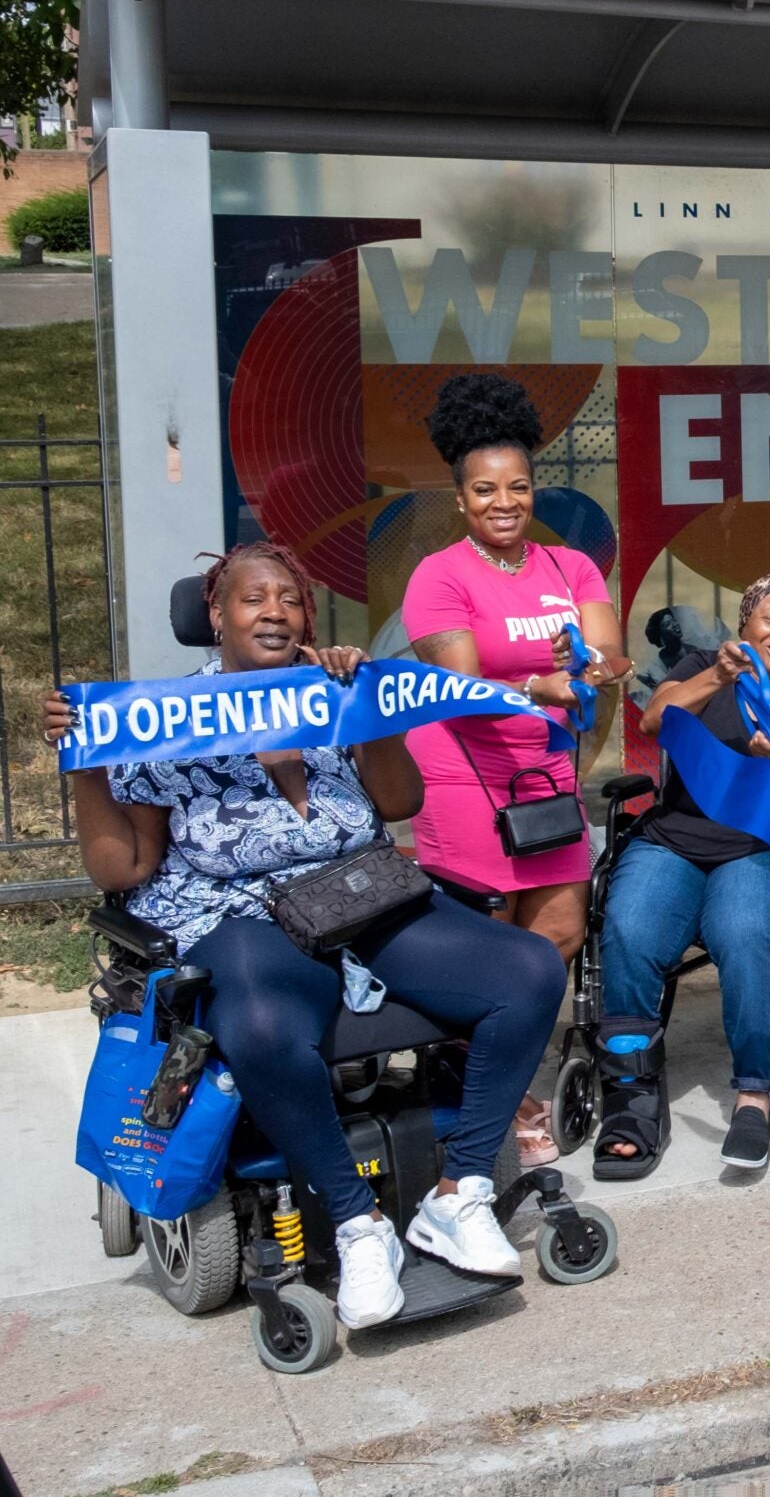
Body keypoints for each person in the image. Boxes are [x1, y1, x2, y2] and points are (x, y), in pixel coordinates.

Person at [44, 543, 565, 1330]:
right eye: (254, 598)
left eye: (290, 598)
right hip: (240, 915)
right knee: (257, 1023)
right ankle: (360, 1227)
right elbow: (126, 868)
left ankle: (459, 1195)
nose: (275, 610)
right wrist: (87, 763)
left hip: (357, 894)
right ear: (216, 615)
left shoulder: (328, 695)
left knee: (528, 968)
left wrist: (372, 712)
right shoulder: (163, 717)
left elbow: (395, 800)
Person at [403, 372, 627, 1165]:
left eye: (520, 486)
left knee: (556, 936)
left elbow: (608, 652)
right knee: (484, 953)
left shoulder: (571, 570)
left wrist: (593, 665)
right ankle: (492, 1096)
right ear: (461, 499)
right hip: (466, 781)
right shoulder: (439, 577)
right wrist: (541, 681)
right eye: (487, 489)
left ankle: (502, 1076)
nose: (506, 501)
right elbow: (459, 685)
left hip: (544, 783)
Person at [595, 576, 770, 1177]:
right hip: (678, 839)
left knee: (740, 930)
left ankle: (754, 1095)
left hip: (769, 846)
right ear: (745, 624)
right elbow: (657, 719)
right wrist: (721, 676)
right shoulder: (701, 665)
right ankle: (631, 1094)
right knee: (630, 928)